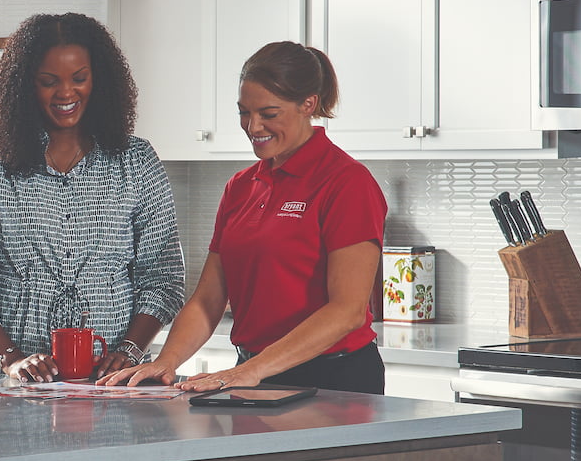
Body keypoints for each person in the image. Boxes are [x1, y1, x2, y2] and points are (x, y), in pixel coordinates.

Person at [105, 40, 387, 394]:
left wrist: (253, 370)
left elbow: (347, 311)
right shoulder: (240, 187)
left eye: (268, 114)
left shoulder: (347, 183)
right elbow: (209, 299)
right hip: (255, 373)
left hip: (334, 380)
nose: (253, 126)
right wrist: (168, 359)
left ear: (308, 104)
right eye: (244, 112)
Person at [0, 12, 186, 385]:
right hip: (14, 385)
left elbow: (163, 279)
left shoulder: (137, 162)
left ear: (99, 80)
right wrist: (11, 359)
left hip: (118, 384)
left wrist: (130, 351)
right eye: (48, 81)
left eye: (79, 78)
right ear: (26, 86)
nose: (66, 93)